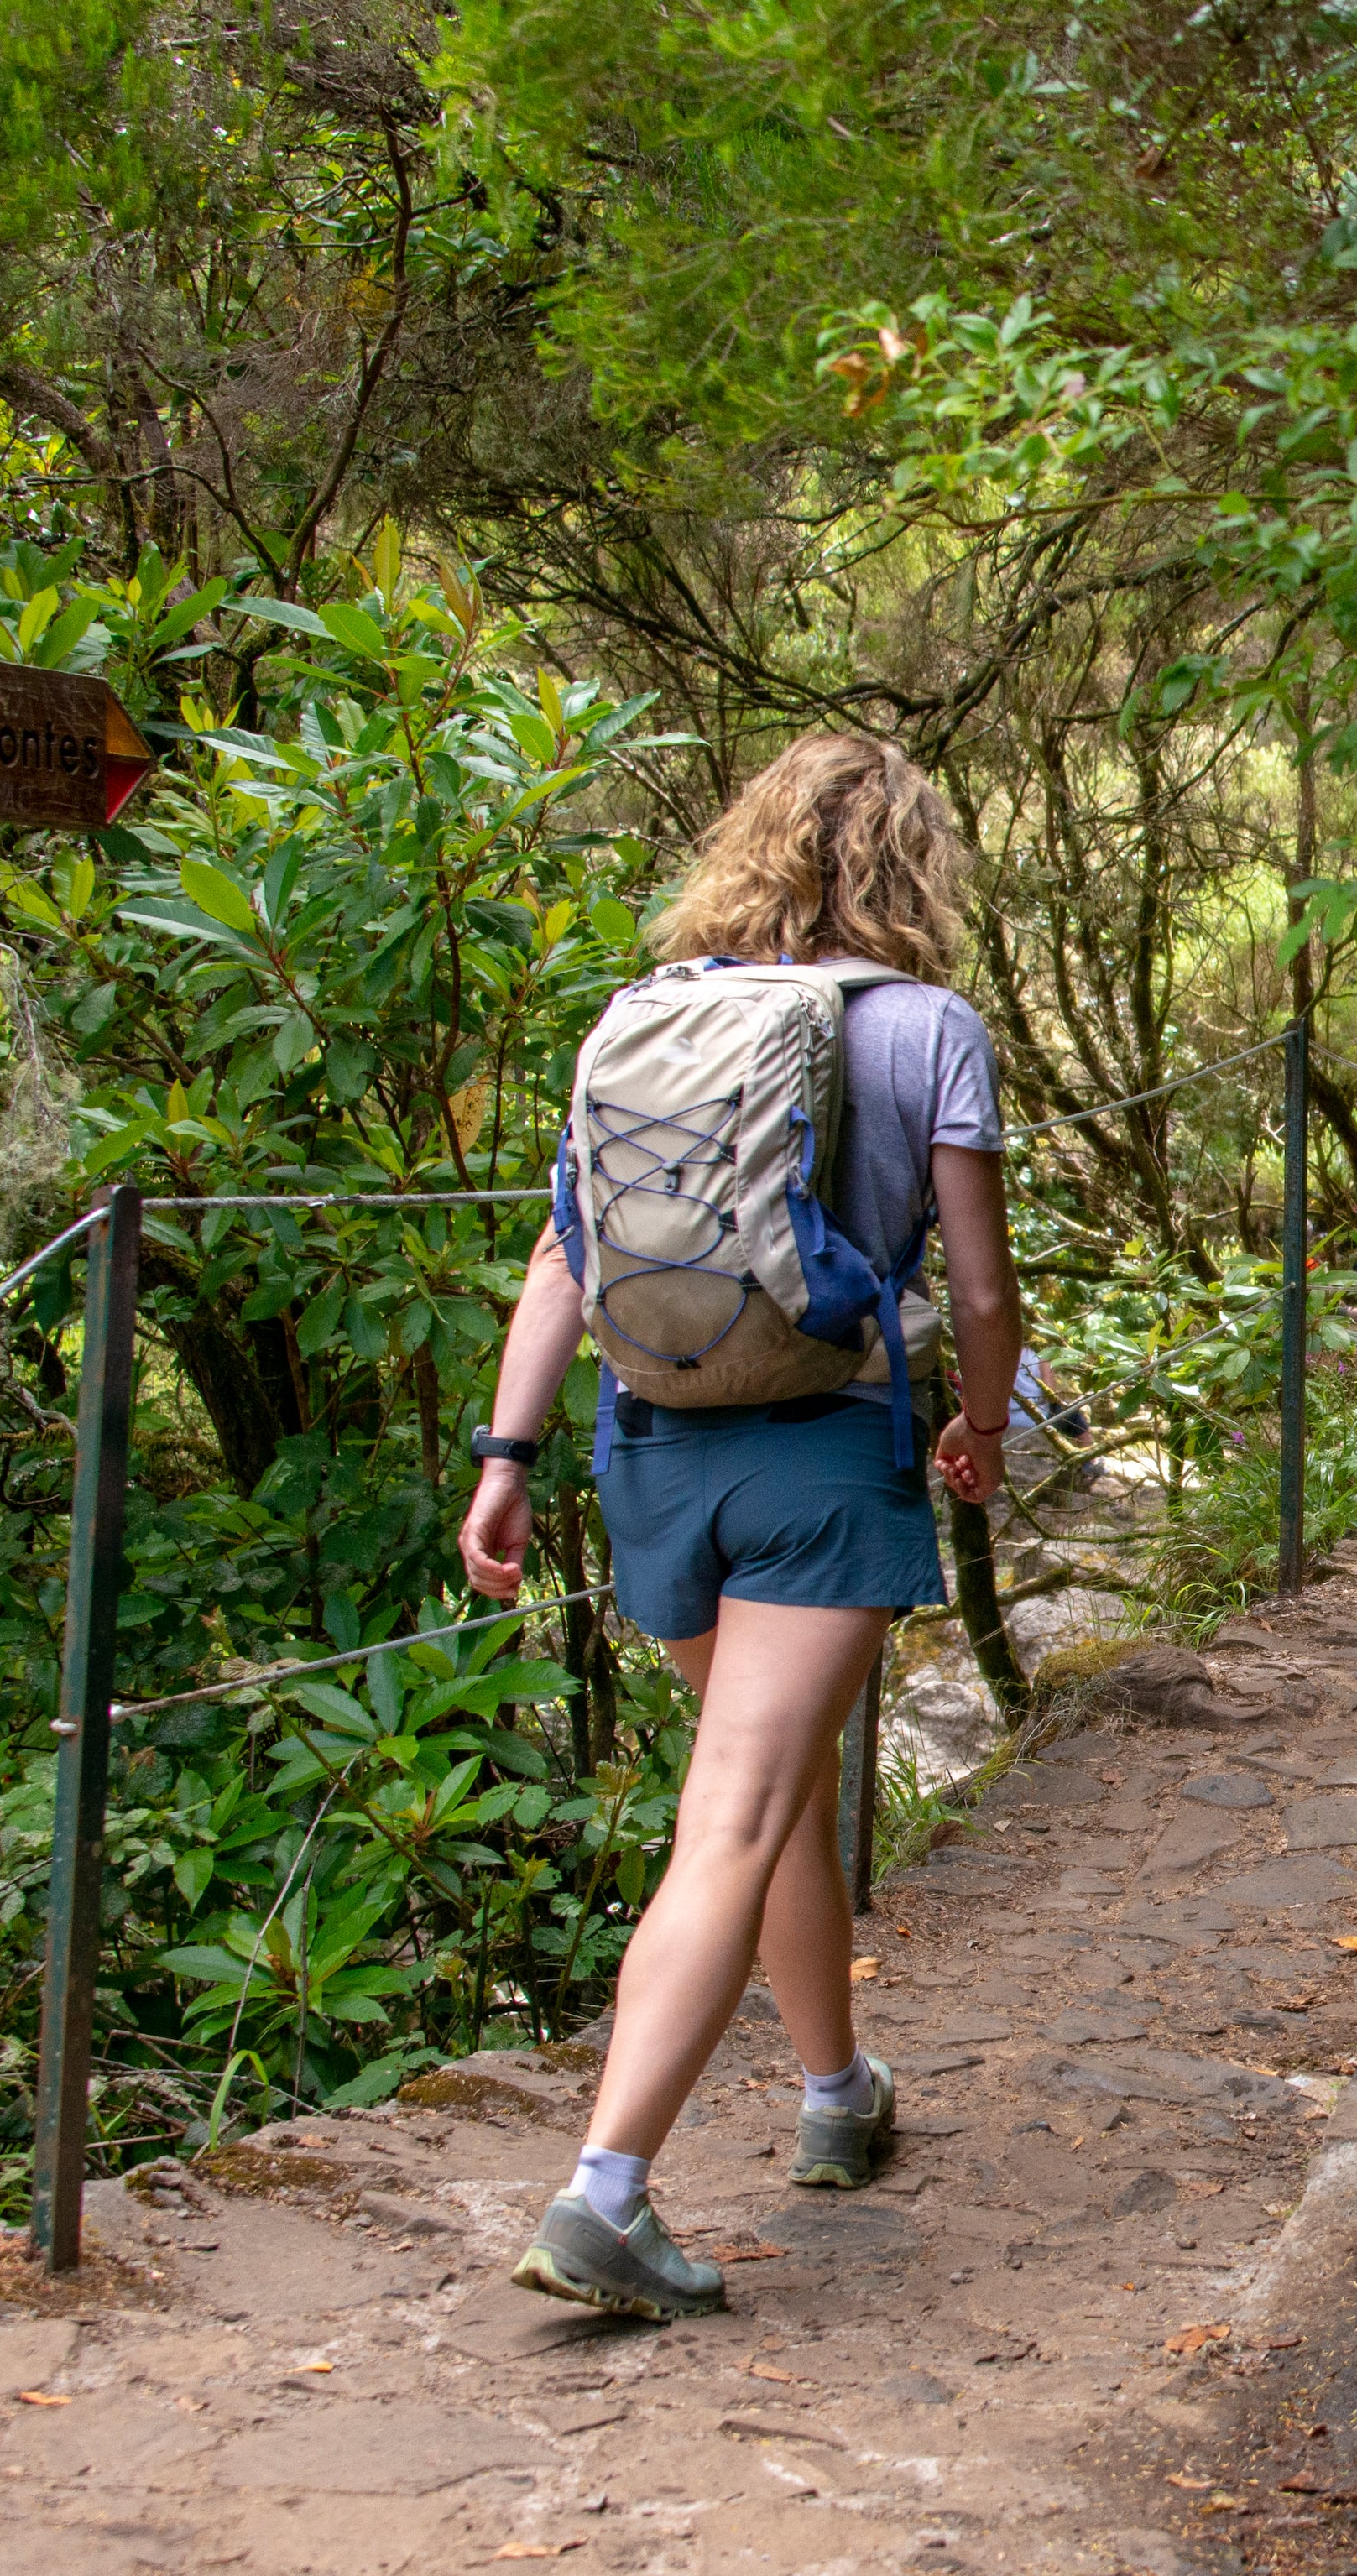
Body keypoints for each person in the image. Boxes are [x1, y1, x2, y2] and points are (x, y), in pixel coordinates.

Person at [457, 735, 1023, 2321]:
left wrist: (507, 1454)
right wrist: (980, 1423)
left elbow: (564, 1261)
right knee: (734, 1814)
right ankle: (604, 2195)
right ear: (914, 862)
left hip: (651, 1453)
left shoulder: (639, 1019)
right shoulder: (926, 1030)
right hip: (821, 1458)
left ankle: (838, 2092)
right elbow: (978, 1289)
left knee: (752, 1789)